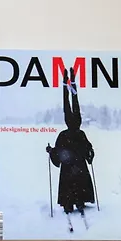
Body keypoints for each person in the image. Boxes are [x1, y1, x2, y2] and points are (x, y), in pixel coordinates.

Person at [46, 68, 95, 230]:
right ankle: (78, 201)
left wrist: (51, 151)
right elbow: (88, 148)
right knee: (72, 103)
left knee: (70, 104)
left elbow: (58, 152)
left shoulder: (65, 134)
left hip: (68, 168)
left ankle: (70, 203)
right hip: (79, 166)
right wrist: (89, 154)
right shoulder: (80, 133)